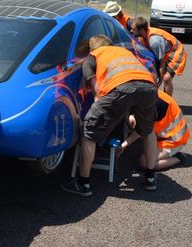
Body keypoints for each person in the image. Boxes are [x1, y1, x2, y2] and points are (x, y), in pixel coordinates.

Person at [61, 35, 158, 196]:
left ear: (92, 49)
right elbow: (134, 85)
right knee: (147, 131)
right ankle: (150, 177)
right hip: (149, 86)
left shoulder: (93, 58)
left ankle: (82, 184)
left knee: (89, 132)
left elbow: (98, 92)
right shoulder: (123, 52)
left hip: (120, 87)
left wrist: (96, 116)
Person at [121, 90, 189, 171]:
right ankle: (152, 145)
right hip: (162, 132)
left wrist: (123, 145)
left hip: (174, 139)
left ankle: (178, 158)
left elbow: (143, 128)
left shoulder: (152, 104)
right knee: (131, 120)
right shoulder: (147, 93)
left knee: (145, 163)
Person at [131, 17, 187, 96]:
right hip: (164, 53)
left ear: (141, 30)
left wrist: (159, 81)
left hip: (176, 53)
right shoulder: (142, 35)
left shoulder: (154, 41)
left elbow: (162, 63)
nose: (131, 31)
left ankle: (167, 103)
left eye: (133, 29)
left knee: (166, 78)